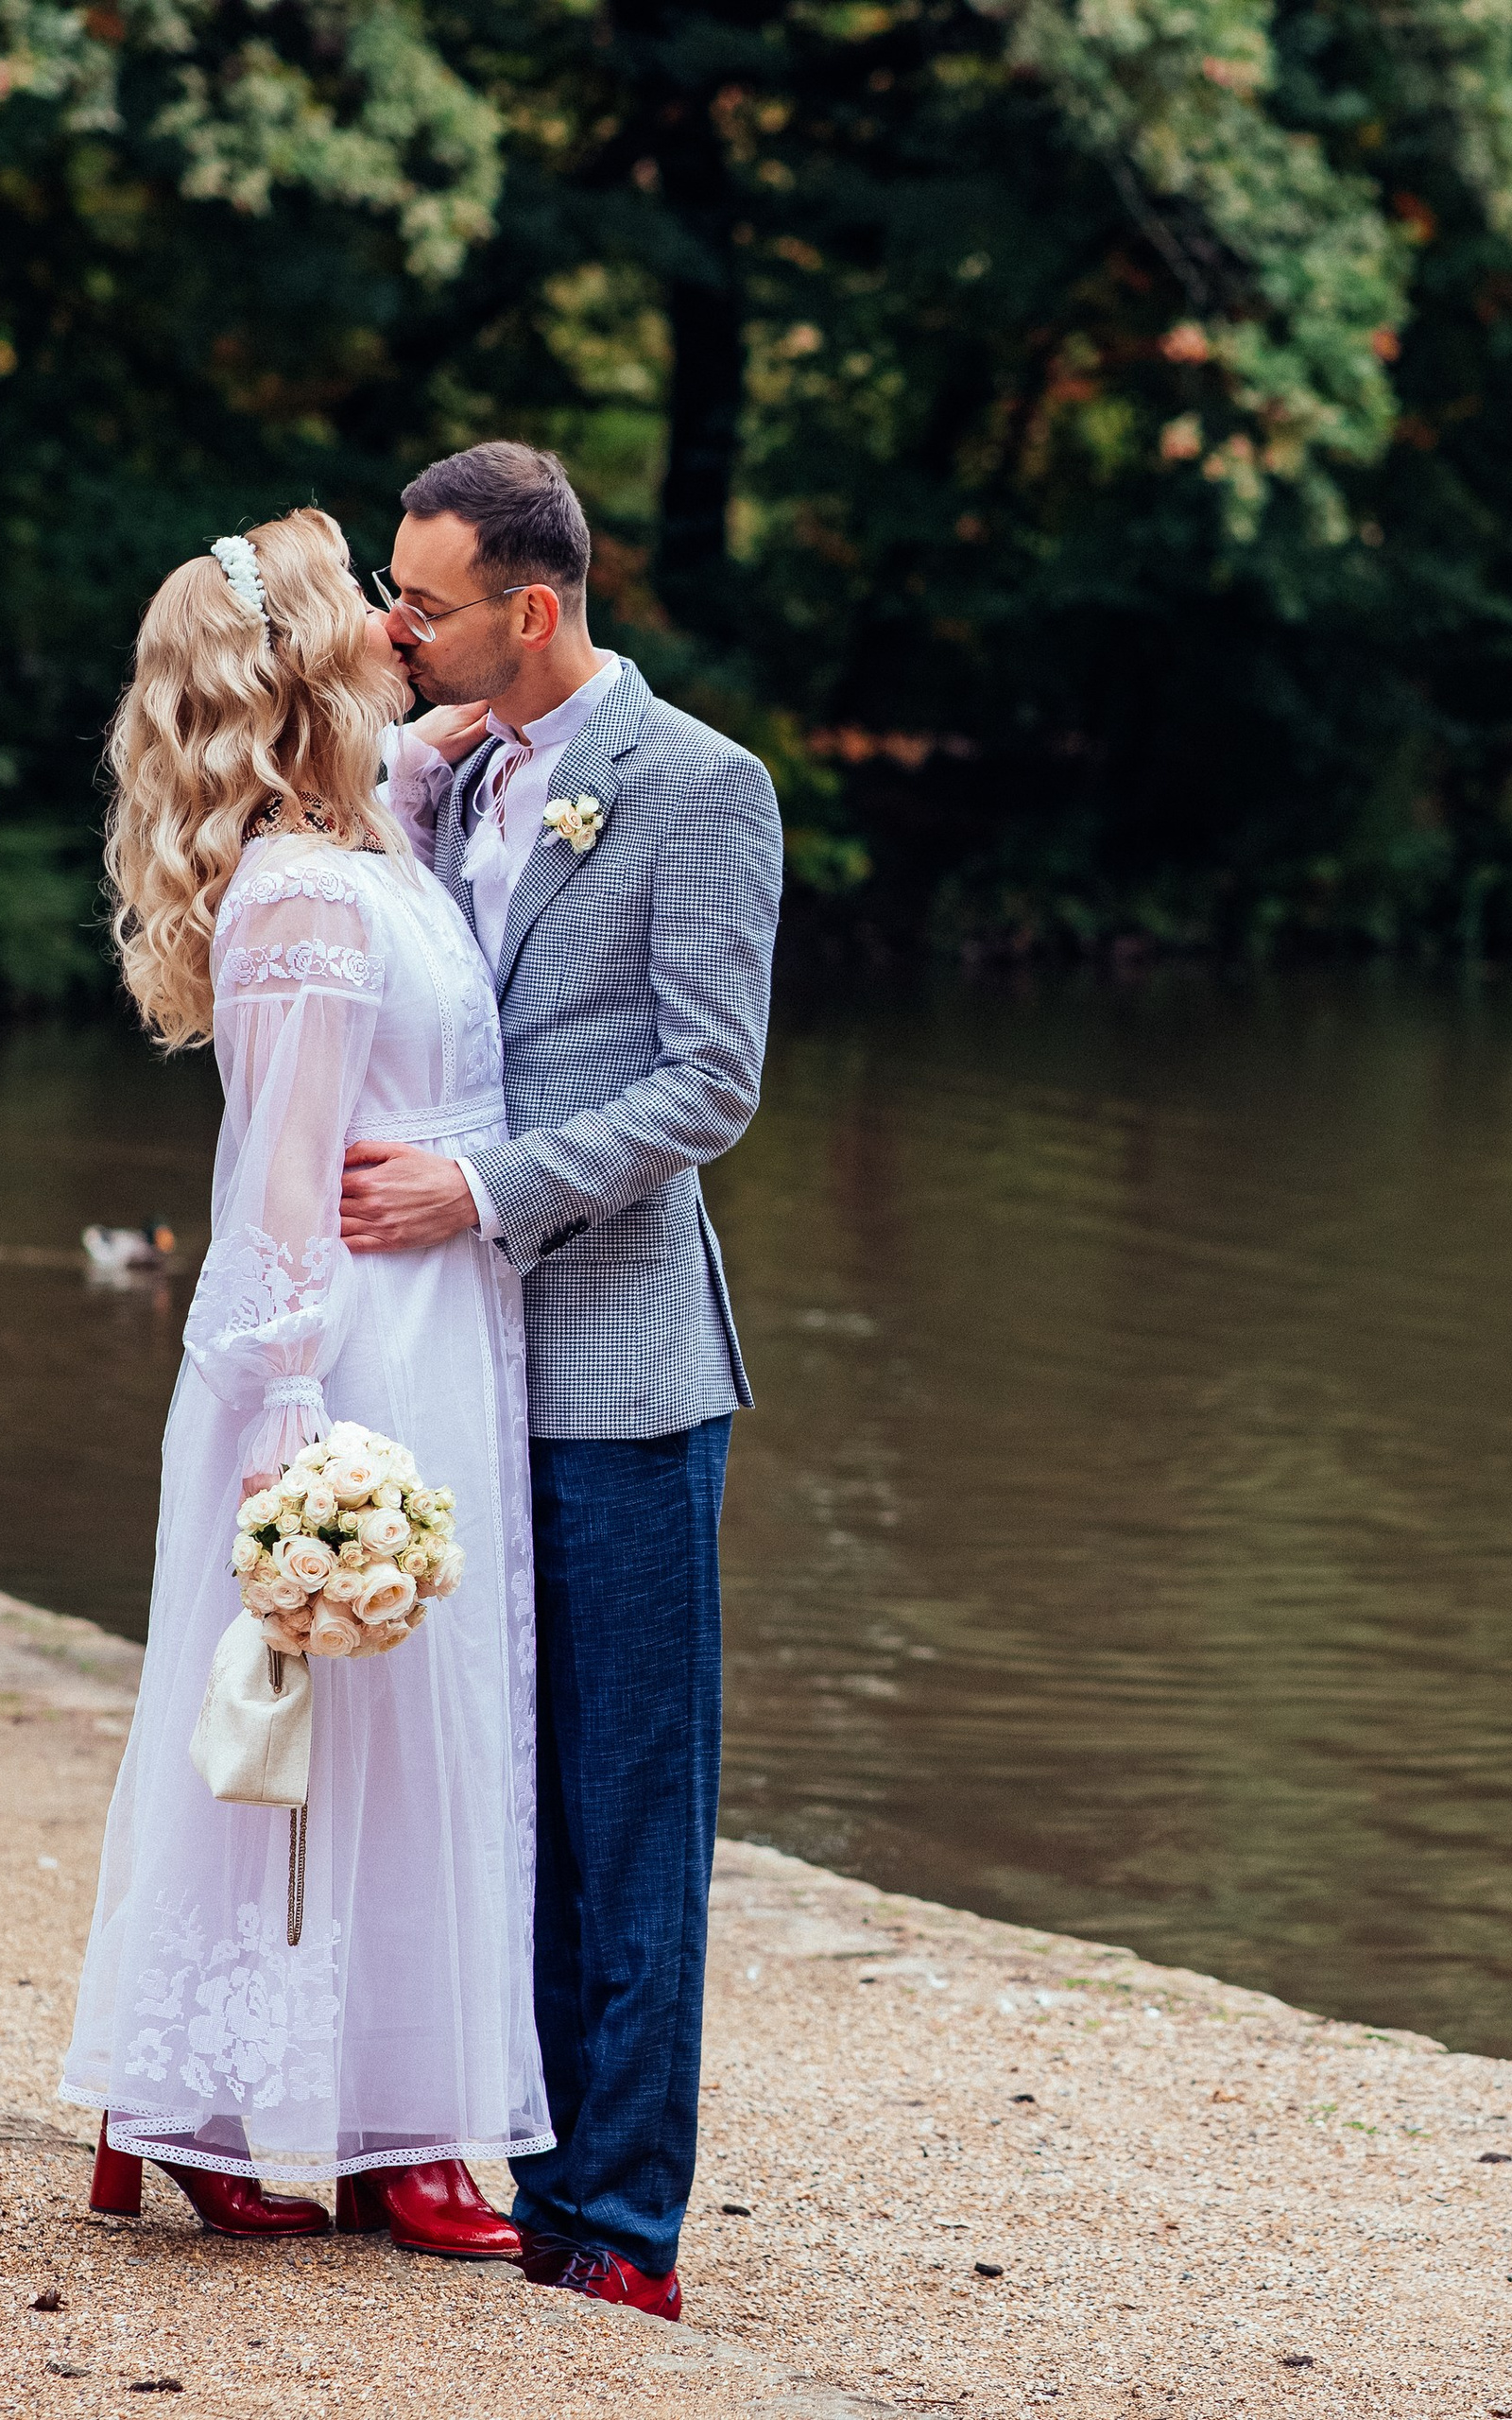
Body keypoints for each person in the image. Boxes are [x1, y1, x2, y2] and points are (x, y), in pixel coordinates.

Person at [61, 507, 544, 2256]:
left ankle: (298, 2105)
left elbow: (400, 763)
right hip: (347, 1342)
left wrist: (473, 729)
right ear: (306, 663)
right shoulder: (307, 898)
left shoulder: (365, 835)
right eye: (366, 608)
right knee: (347, 1731)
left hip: (440, 1315)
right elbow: (279, 1181)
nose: (396, 629)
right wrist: (286, 1417)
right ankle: (316, 2121)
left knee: (409, 1724)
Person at [345, 441, 782, 2319]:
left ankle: (616, 2227)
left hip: (618, 1373)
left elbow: (711, 1083)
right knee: (489, 1794)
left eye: (423, 600)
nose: (395, 624)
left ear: (531, 610)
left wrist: (481, 1192)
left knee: (625, 1807)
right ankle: (498, 2164)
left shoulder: (701, 785)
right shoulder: (444, 774)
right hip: (452, 1369)